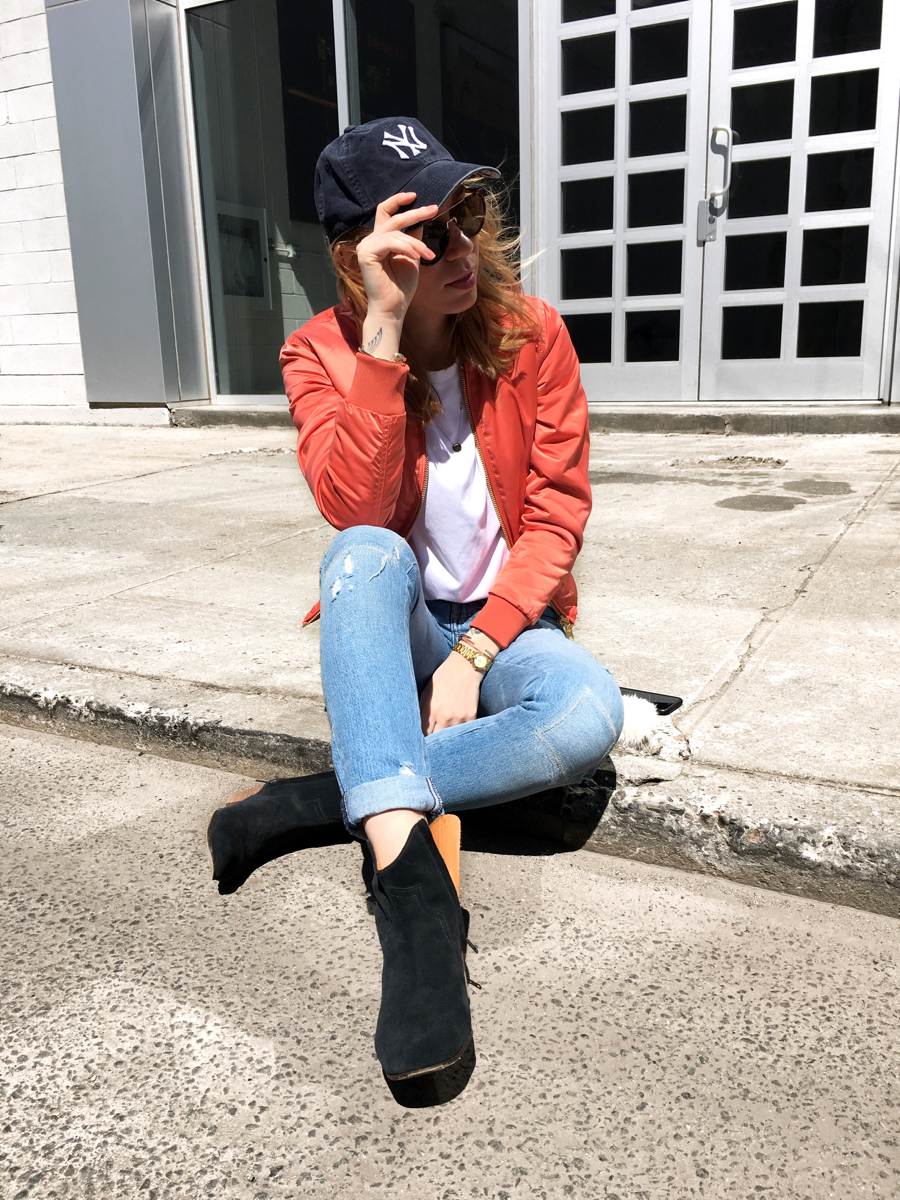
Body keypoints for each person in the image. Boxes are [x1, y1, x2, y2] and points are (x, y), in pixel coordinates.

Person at [207, 117, 624, 1094]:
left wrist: (476, 653)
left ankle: (331, 797)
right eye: (427, 232)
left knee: (584, 711)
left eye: (467, 214)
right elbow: (359, 509)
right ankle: (419, 915)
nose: (459, 247)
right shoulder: (317, 352)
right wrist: (386, 340)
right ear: (359, 258)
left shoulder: (533, 335)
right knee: (355, 552)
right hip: (394, 614)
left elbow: (556, 518)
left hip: (509, 621)